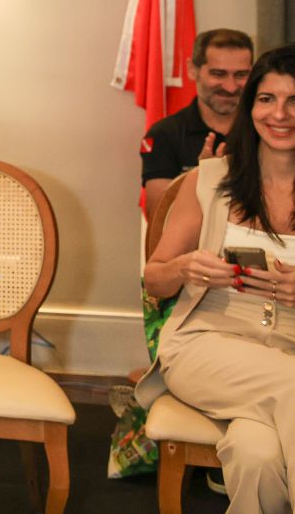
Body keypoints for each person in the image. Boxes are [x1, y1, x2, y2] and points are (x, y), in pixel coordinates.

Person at [139, 43, 295, 513]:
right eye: (266, 99)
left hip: (287, 350)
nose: (280, 114)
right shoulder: (207, 180)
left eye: (294, 101)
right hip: (206, 343)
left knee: (256, 455)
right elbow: (155, 280)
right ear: (250, 106)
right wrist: (185, 267)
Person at [142, 29, 254, 220]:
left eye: (241, 75)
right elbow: (160, 219)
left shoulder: (267, 129)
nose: (230, 87)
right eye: (218, 74)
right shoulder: (165, 134)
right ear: (192, 70)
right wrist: (200, 178)